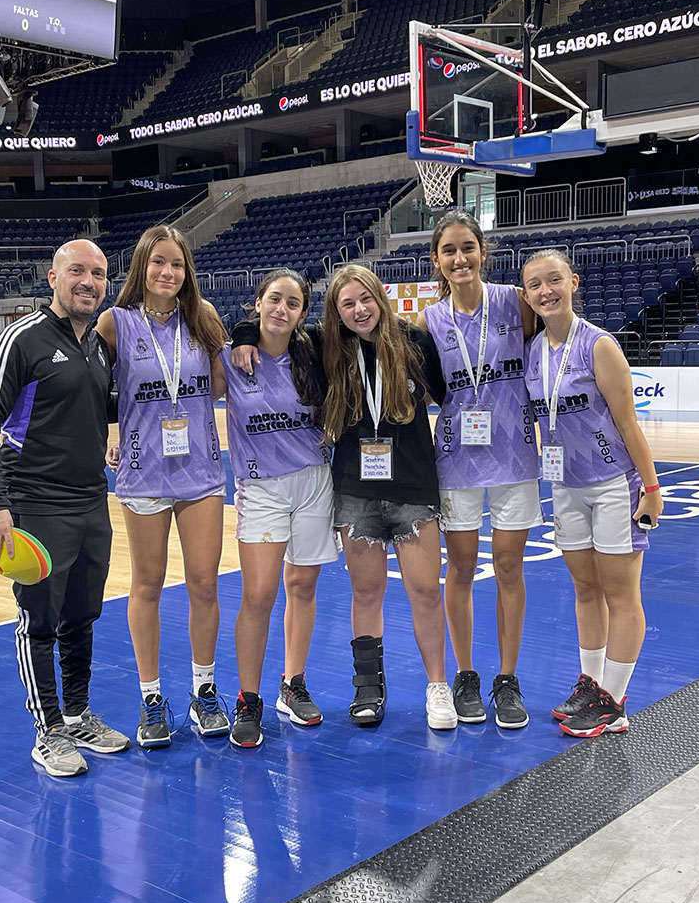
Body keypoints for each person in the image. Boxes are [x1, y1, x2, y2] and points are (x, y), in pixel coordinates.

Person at [234, 264, 456, 731]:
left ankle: (438, 686)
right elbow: (276, 327)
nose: (358, 310)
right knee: (366, 592)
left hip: (413, 488)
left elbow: (446, 397)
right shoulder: (326, 346)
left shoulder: (415, 342)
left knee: (424, 591)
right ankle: (368, 688)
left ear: (380, 297)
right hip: (355, 491)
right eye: (346, 303)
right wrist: (243, 334)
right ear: (335, 312)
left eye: (365, 298)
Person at [0, 239, 130, 778]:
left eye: (99, 274)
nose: (89, 282)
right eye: (77, 271)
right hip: (33, 503)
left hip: (91, 500)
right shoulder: (21, 338)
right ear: (53, 278)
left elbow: (98, 406)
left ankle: (78, 714)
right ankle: (49, 730)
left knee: (82, 613)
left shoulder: (99, 346)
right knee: (39, 619)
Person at [95, 224, 230, 749]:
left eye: (177, 264)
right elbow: (93, 386)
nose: (167, 272)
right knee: (147, 584)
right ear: (141, 267)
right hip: (143, 471)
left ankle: (204, 691)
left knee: (204, 583)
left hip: (200, 472)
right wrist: (110, 433)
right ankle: (151, 698)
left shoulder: (203, 317)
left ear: (187, 271)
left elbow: (221, 384)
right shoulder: (116, 322)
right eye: (158, 262)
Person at [521, 250, 663, 736]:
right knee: (585, 590)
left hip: (613, 485)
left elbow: (628, 423)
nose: (546, 291)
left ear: (574, 283)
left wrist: (651, 487)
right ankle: (592, 682)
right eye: (535, 285)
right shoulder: (532, 352)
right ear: (526, 296)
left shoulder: (598, 345)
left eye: (554, 280)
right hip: (565, 486)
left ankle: (614, 700)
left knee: (621, 593)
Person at [417, 211, 542, 730]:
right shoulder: (428, 321)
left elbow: (561, 330)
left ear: (483, 252)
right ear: (436, 259)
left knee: (509, 566)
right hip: (456, 458)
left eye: (467, 247)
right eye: (449, 250)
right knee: (462, 567)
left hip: (515, 454)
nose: (460, 258)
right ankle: (465, 675)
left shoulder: (516, 301)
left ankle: (506, 679)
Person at [213, 269, 336, 748]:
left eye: (292, 303)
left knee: (302, 586)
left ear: (303, 314)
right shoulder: (231, 358)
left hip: (314, 482)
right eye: (274, 299)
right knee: (260, 595)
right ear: (258, 302)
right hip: (261, 487)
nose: (281, 309)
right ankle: (248, 698)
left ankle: (293, 683)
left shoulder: (316, 355)